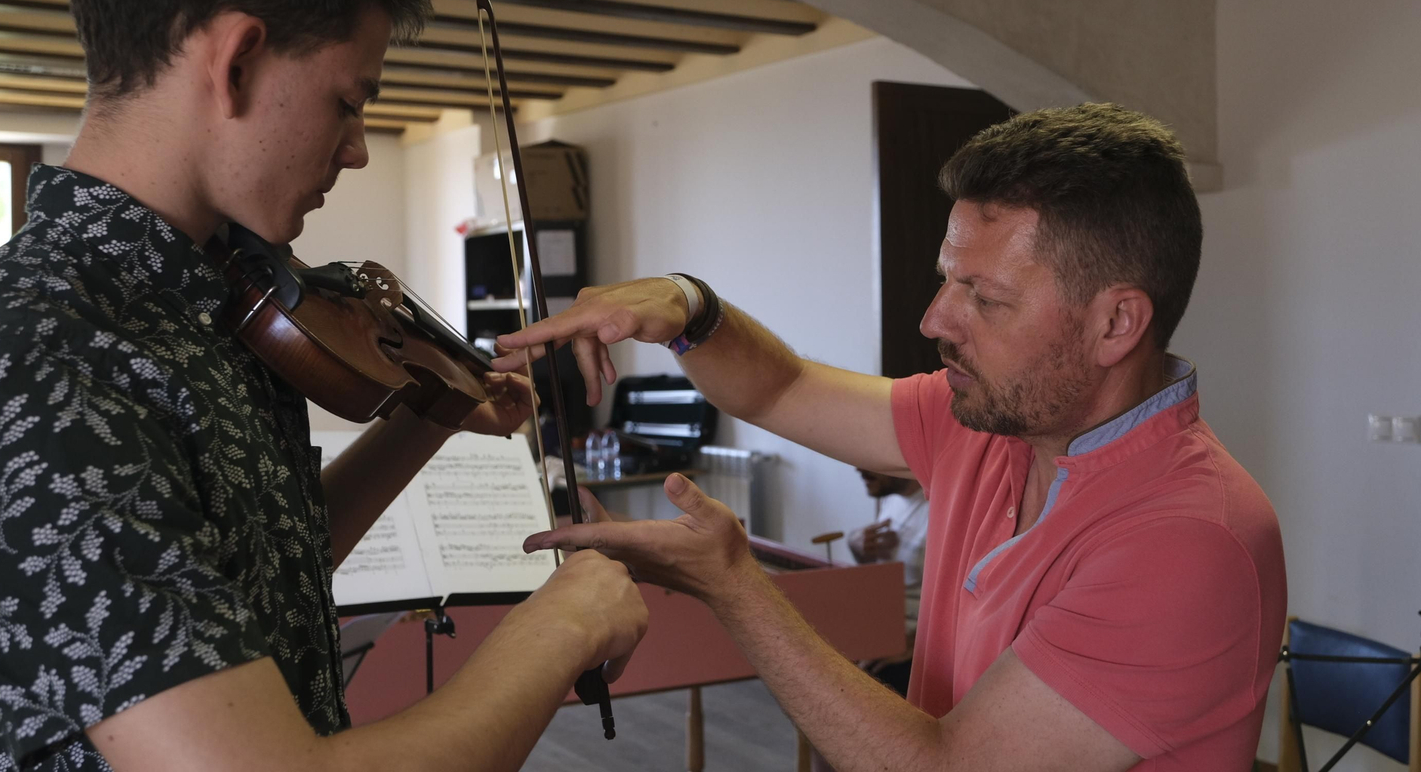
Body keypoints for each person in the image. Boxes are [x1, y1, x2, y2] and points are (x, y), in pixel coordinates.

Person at [0, 0, 646, 770]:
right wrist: (559, 630)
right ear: (235, 62)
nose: (353, 147)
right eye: (348, 101)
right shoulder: (44, 359)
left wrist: (429, 409)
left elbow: (266, 565)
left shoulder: (202, 297)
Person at [503, 103, 1288, 772]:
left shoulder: (1190, 538)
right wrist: (686, 305)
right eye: (948, 277)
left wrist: (733, 581)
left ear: (1116, 322)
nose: (935, 320)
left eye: (983, 297)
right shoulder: (993, 421)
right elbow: (781, 387)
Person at [847, 470, 928, 695]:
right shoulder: (890, 498)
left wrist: (915, 646)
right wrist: (858, 548)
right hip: (883, 629)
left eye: (869, 457)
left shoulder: (938, 507)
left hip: (916, 646)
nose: (857, 467)